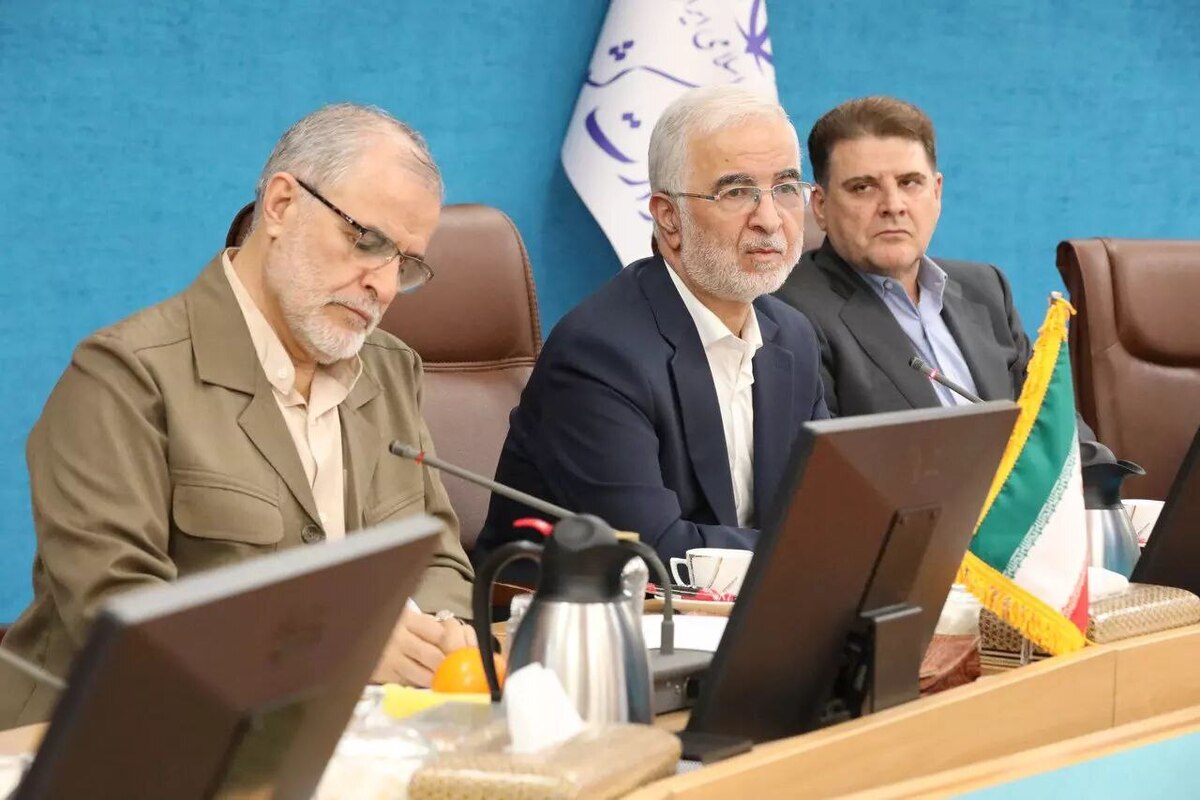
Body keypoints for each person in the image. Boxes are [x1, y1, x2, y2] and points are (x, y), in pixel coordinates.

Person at [0, 103, 477, 727]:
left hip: (341, 732)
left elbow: (437, 558)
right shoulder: (124, 377)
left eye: (406, 265)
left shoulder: (391, 369)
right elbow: (120, 622)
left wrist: (442, 630)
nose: (384, 287)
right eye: (369, 241)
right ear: (281, 205)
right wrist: (335, 648)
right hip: (116, 736)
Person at [476, 86, 828, 567]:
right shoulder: (600, 354)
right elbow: (651, 550)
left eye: (785, 188)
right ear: (669, 219)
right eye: (736, 192)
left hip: (745, 603)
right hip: (586, 607)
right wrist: (815, 554)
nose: (770, 219)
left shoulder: (792, 336)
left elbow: (823, 509)